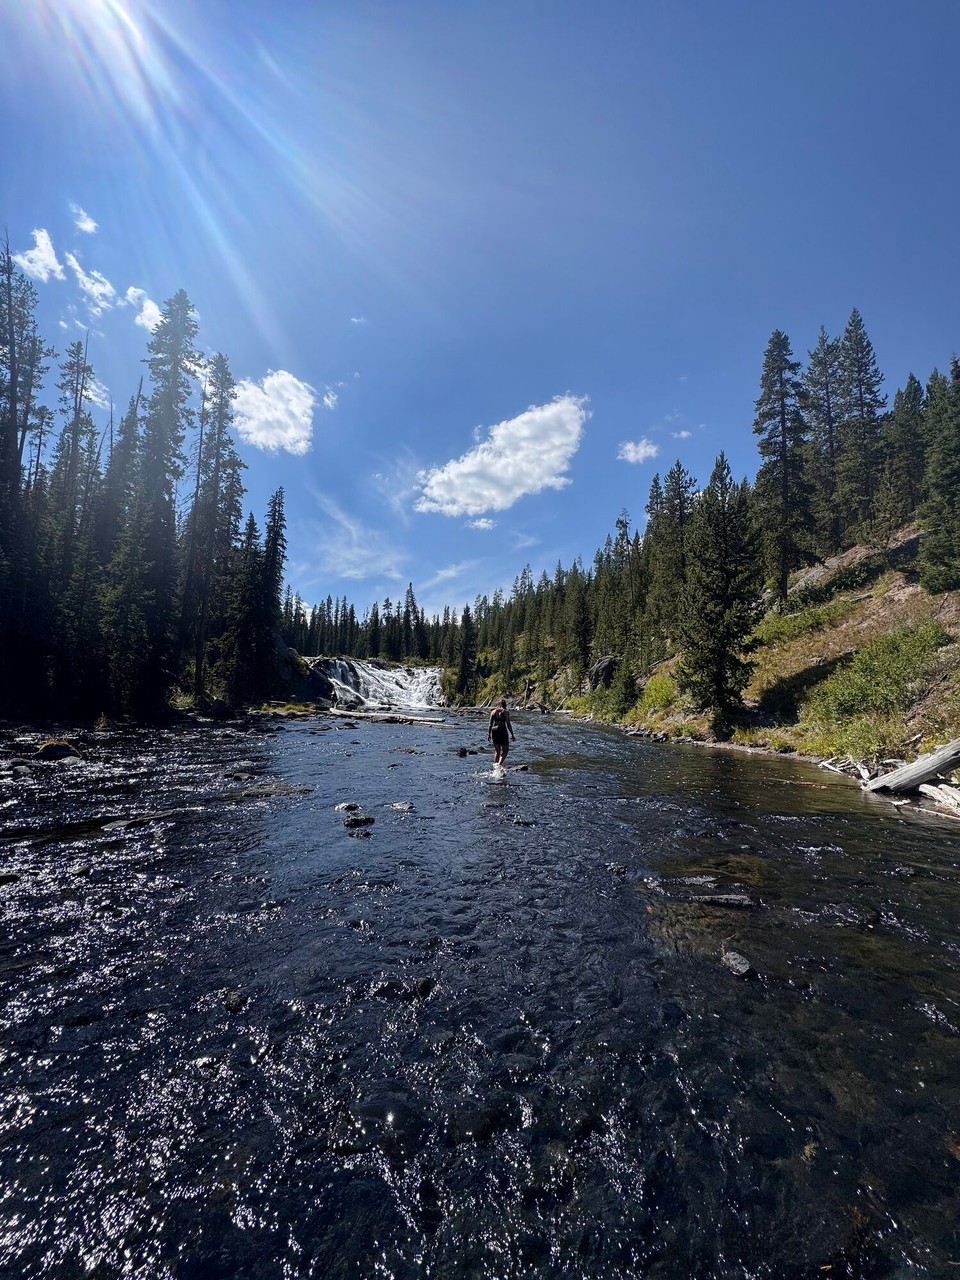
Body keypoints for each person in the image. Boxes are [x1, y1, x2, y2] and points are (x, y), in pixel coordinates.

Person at [488, 697, 515, 766]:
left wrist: (489, 735)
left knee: (497, 751)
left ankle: (495, 766)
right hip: (503, 731)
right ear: (504, 704)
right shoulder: (506, 712)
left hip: (494, 731)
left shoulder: (493, 712)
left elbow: (490, 725)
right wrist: (512, 734)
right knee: (505, 751)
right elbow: (508, 724)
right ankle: (499, 765)